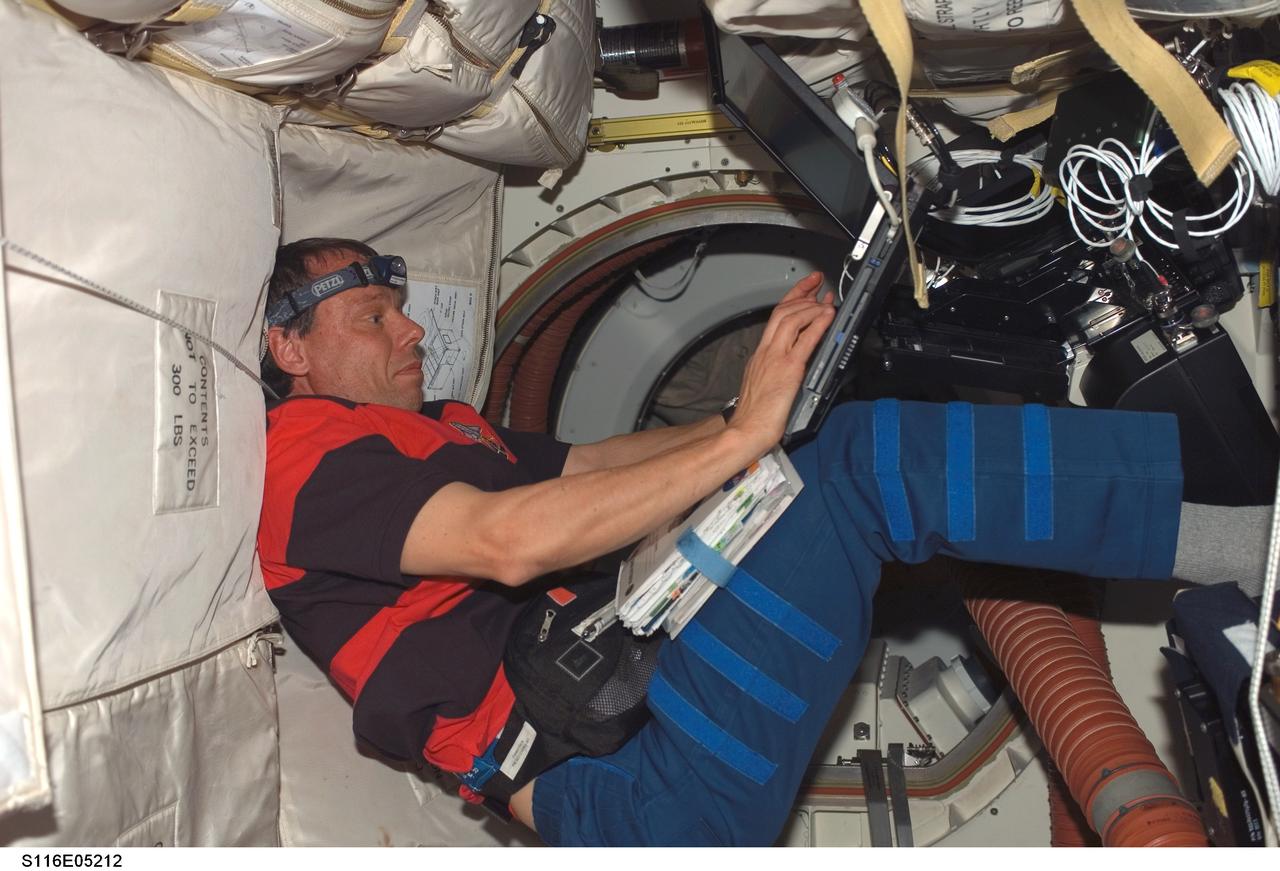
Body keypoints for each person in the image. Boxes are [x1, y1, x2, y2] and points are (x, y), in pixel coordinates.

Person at [257, 237, 1267, 846]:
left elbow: (589, 463)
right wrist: (745, 432)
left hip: (643, 699)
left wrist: (770, 409)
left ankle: (1232, 522)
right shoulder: (304, 458)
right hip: (628, 797)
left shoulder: (443, 428)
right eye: (373, 317)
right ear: (289, 347)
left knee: (832, 441)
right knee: (863, 468)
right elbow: (508, 542)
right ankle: (1252, 537)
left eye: (401, 312)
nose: (411, 332)